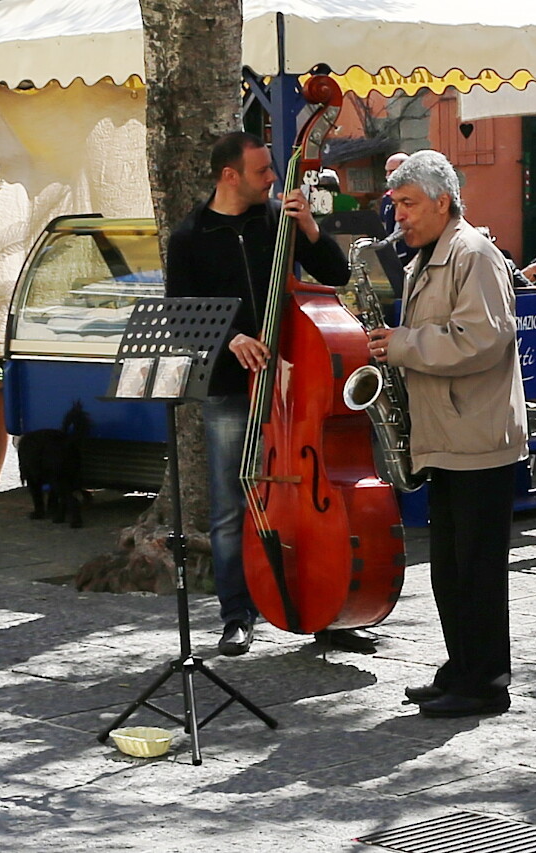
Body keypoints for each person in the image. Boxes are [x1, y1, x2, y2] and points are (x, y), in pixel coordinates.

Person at [166, 131, 375, 656]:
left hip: (295, 381)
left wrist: (309, 229)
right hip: (232, 387)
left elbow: (335, 274)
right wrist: (230, 337)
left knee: (308, 498)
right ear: (229, 175)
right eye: (262, 172)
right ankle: (238, 614)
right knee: (230, 505)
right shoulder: (191, 236)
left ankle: (326, 607)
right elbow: (179, 320)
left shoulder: (278, 219)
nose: (273, 180)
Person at [367, 150, 528, 718]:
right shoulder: (426, 256)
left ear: (443, 202)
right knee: (448, 569)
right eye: (395, 205)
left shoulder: (473, 254)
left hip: (477, 435)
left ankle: (486, 682)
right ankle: (460, 668)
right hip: (446, 432)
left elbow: (482, 340)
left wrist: (403, 345)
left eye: (408, 205)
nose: (399, 216)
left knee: (477, 570)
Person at [379, 152, 417, 266]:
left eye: (392, 171)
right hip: (393, 254)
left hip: (414, 252)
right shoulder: (387, 198)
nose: (388, 175)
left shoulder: (418, 196)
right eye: (387, 171)